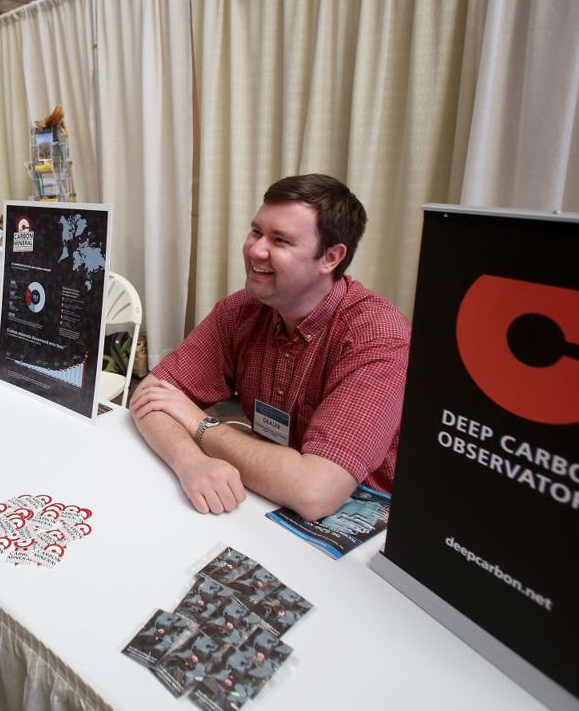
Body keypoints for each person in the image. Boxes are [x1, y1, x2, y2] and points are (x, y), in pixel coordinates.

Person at [130, 174, 410, 521]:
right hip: (266, 495)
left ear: (331, 258)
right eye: (256, 231)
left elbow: (314, 492)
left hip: (364, 518)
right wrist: (191, 462)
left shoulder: (378, 336)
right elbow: (149, 396)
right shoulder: (242, 310)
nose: (255, 250)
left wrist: (200, 424)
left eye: (280, 240)